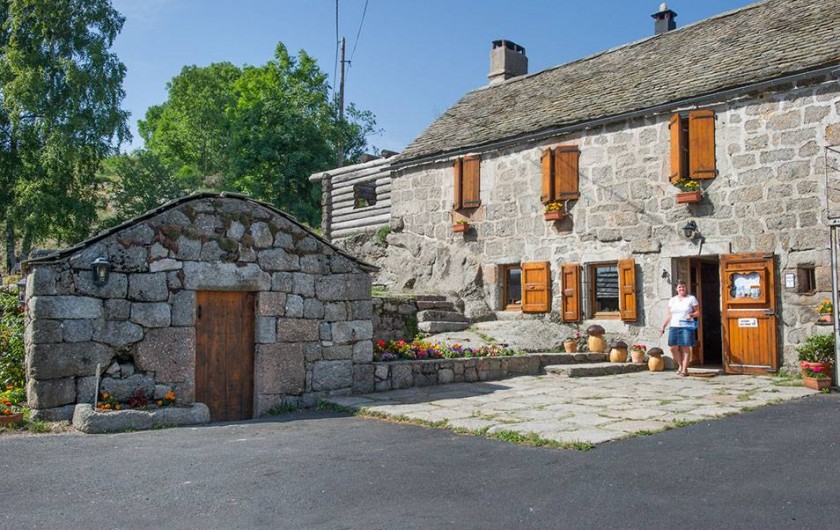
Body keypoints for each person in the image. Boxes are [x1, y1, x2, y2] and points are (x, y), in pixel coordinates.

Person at [660, 280, 700, 376]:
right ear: (676, 289)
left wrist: (691, 315)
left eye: (683, 287)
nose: (681, 289)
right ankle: (681, 365)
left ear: (686, 288)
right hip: (674, 326)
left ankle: (684, 370)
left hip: (686, 326)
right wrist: (663, 326)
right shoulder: (672, 300)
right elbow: (669, 315)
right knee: (673, 348)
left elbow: (698, 312)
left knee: (685, 347)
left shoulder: (691, 298)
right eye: (679, 287)